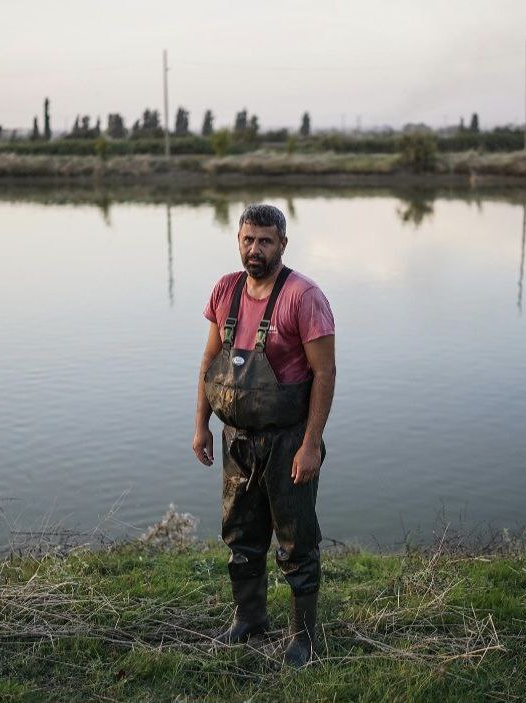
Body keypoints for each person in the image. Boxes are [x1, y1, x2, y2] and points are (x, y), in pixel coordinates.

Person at [192, 203, 336, 667]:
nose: (255, 249)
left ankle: (303, 638)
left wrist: (311, 444)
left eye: (266, 241)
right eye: (248, 239)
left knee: (296, 543)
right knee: (240, 536)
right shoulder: (225, 290)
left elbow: (325, 372)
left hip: (288, 440)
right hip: (237, 439)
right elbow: (210, 364)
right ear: (238, 240)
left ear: (283, 244)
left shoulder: (304, 296)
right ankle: (250, 618)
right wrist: (202, 426)